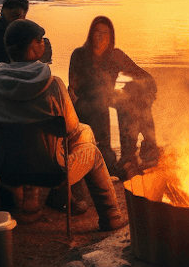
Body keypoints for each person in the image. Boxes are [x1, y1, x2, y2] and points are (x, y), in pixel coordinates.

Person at [0, 18, 126, 230]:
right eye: (40, 40)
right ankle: (111, 217)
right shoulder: (53, 85)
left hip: (6, 170)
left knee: (68, 133)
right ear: (33, 47)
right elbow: (71, 131)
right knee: (89, 144)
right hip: (52, 173)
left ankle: (32, 200)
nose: (44, 43)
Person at [68, 15, 159, 178]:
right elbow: (72, 88)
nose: (101, 36)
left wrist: (148, 91)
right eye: (97, 31)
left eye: (105, 32)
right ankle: (103, 156)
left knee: (133, 95)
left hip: (107, 98)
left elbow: (143, 75)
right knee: (100, 105)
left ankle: (134, 152)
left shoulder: (115, 55)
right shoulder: (80, 55)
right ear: (91, 34)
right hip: (86, 104)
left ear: (111, 37)